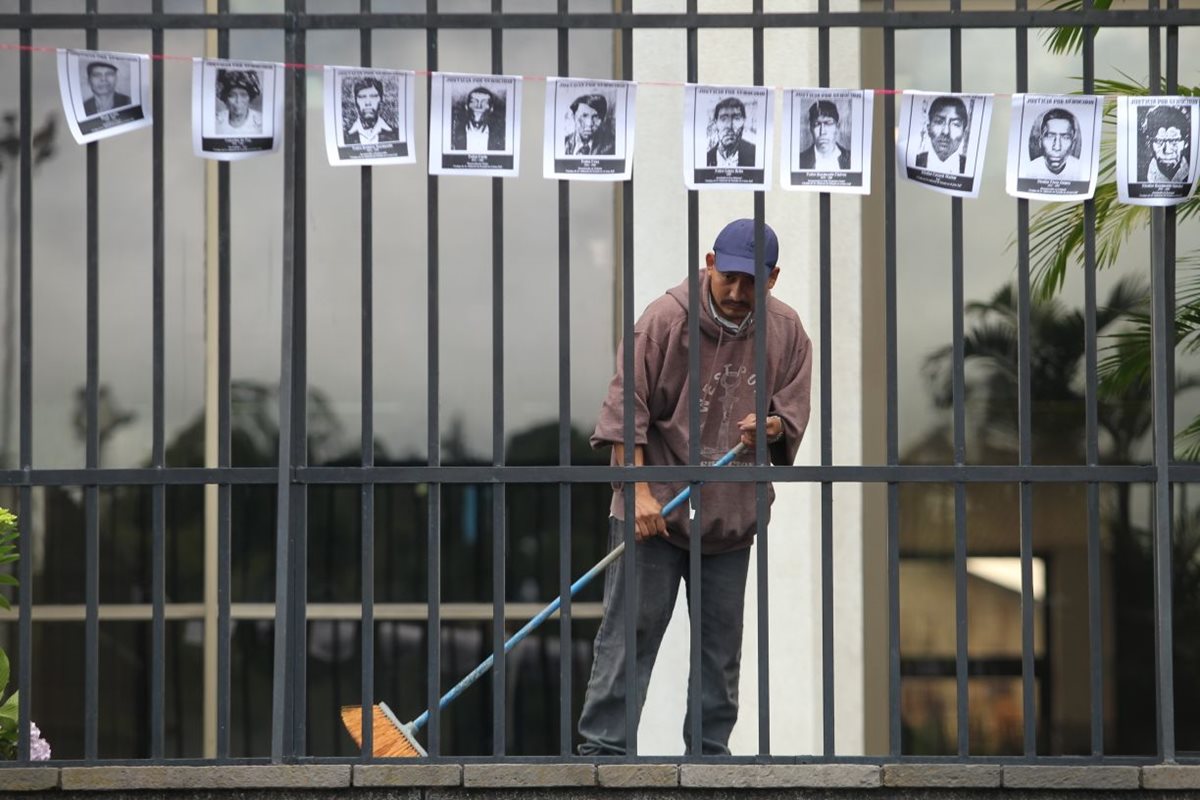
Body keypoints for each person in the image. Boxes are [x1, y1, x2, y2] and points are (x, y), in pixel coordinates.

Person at [577, 219, 813, 757]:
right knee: (628, 638)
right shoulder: (664, 321)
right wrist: (636, 493)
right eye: (728, 275)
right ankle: (602, 754)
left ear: (773, 278)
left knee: (719, 653)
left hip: (728, 517)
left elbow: (792, 410)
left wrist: (773, 426)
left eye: (751, 281)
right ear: (709, 262)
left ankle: (709, 759)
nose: (736, 292)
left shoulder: (786, 332)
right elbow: (625, 411)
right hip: (654, 511)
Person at [915, 95, 968, 173]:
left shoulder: (969, 166)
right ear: (928, 129)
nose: (946, 131)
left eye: (955, 124)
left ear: (964, 133)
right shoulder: (915, 161)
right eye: (939, 122)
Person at [1025, 108, 1081, 180]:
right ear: (1040, 142)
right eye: (1050, 136)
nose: (1057, 147)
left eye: (1065, 137)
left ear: (1073, 144)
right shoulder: (1028, 170)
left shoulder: (1082, 170)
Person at [1139, 104, 1191, 183]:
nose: (1167, 150)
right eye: (1159, 141)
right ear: (1149, 143)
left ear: (1186, 142)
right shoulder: (1139, 175)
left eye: (1174, 141)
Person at [797, 99, 851, 170]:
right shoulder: (800, 160)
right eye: (817, 124)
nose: (822, 132)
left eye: (828, 123)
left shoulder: (851, 158)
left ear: (837, 127)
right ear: (811, 128)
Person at [344, 76, 399, 145]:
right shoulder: (345, 135)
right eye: (362, 97)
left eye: (373, 96)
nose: (368, 103)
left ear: (381, 100)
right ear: (355, 101)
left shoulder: (396, 134)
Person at [450, 86, 505, 152]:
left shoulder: (500, 137)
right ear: (466, 106)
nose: (479, 106)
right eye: (474, 102)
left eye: (484, 102)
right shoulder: (453, 135)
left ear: (491, 109)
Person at [706, 97, 756, 167]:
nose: (729, 126)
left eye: (736, 119)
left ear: (744, 122)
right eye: (723, 119)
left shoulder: (754, 154)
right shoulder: (706, 158)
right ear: (715, 123)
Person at [214, 69, 262, 135]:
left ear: (250, 97)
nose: (238, 100)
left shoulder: (261, 121)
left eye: (243, 95)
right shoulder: (216, 121)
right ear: (226, 98)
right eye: (232, 96)